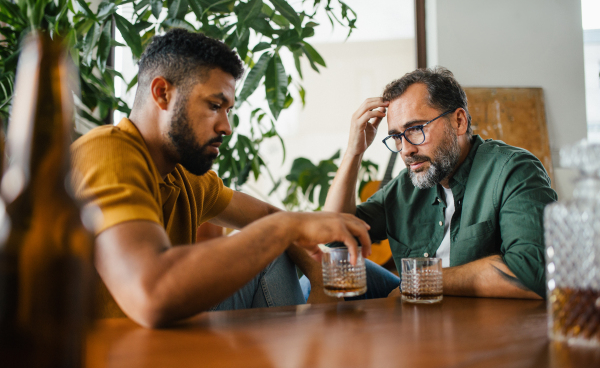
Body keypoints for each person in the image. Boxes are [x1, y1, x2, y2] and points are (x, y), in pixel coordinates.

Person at [71, 29, 373, 328]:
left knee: (370, 278)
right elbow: (152, 296)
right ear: (162, 93)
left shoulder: (182, 174)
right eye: (215, 106)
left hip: (160, 341)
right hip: (103, 363)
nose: (227, 127)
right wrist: (286, 226)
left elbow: (265, 215)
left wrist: (317, 269)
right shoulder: (105, 152)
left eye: (228, 110)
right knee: (272, 239)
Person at [324, 67, 557, 299]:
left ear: (458, 121)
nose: (406, 150)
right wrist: (354, 151)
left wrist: (420, 281)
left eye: (415, 129)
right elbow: (335, 236)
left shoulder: (513, 170)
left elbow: (532, 274)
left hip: (480, 323)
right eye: (396, 136)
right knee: (326, 272)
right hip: (419, 315)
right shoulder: (406, 186)